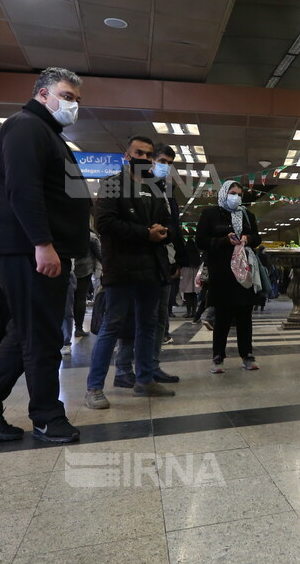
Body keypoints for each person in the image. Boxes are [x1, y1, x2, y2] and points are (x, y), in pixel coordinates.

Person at [0, 68, 90, 444]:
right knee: (42, 335)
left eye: (76, 98)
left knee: (26, 331)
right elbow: (22, 188)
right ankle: (46, 417)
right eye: (66, 95)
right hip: (24, 246)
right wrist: (42, 243)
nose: (72, 104)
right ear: (43, 94)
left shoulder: (44, 132)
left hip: (25, 245)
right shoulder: (26, 126)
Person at [84, 136, 176, 407]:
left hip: (151, 269)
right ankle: (94, 388)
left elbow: (169, 222)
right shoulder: (113, 183)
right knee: (112, 327)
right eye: (139, 153)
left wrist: (165, 232)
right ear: (127, 155)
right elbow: (105, 223)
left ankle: (145, 379)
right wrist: (145, 233)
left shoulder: (156, 187)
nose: (144, 159)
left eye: (148, 155)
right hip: (121, 267)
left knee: (147, 326)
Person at [112, 143, 181, 387]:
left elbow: (175, 226)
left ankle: (151, 366)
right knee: (134, 317)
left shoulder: (167, 189)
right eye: (161, 160)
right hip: (140, 261)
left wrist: (177, 259)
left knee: (159, 317)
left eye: (170, 163)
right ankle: (123, 369)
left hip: (165, 260)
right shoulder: (136, 185)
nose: (165, 166)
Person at [196, 181, 262, 373]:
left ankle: (247, 354)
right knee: (222, 316)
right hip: (222, 272)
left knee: (244, 316)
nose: (237, 197)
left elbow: (257, 238)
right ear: (224, 194)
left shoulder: (247, 215)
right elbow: (201, 241)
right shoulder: (210, 214)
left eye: (240, 194)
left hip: (244, 271)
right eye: (232, 193)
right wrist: (224, 240)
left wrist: (248, 239)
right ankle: (218, 356)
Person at [71, 230, 100, 338]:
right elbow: (100, 253)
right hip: (84, 270)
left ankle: (66, 332)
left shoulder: (69, 232)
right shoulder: (91, 236)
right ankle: (78, 328)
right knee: (81, 299)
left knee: (68, 301)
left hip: (68, 268)